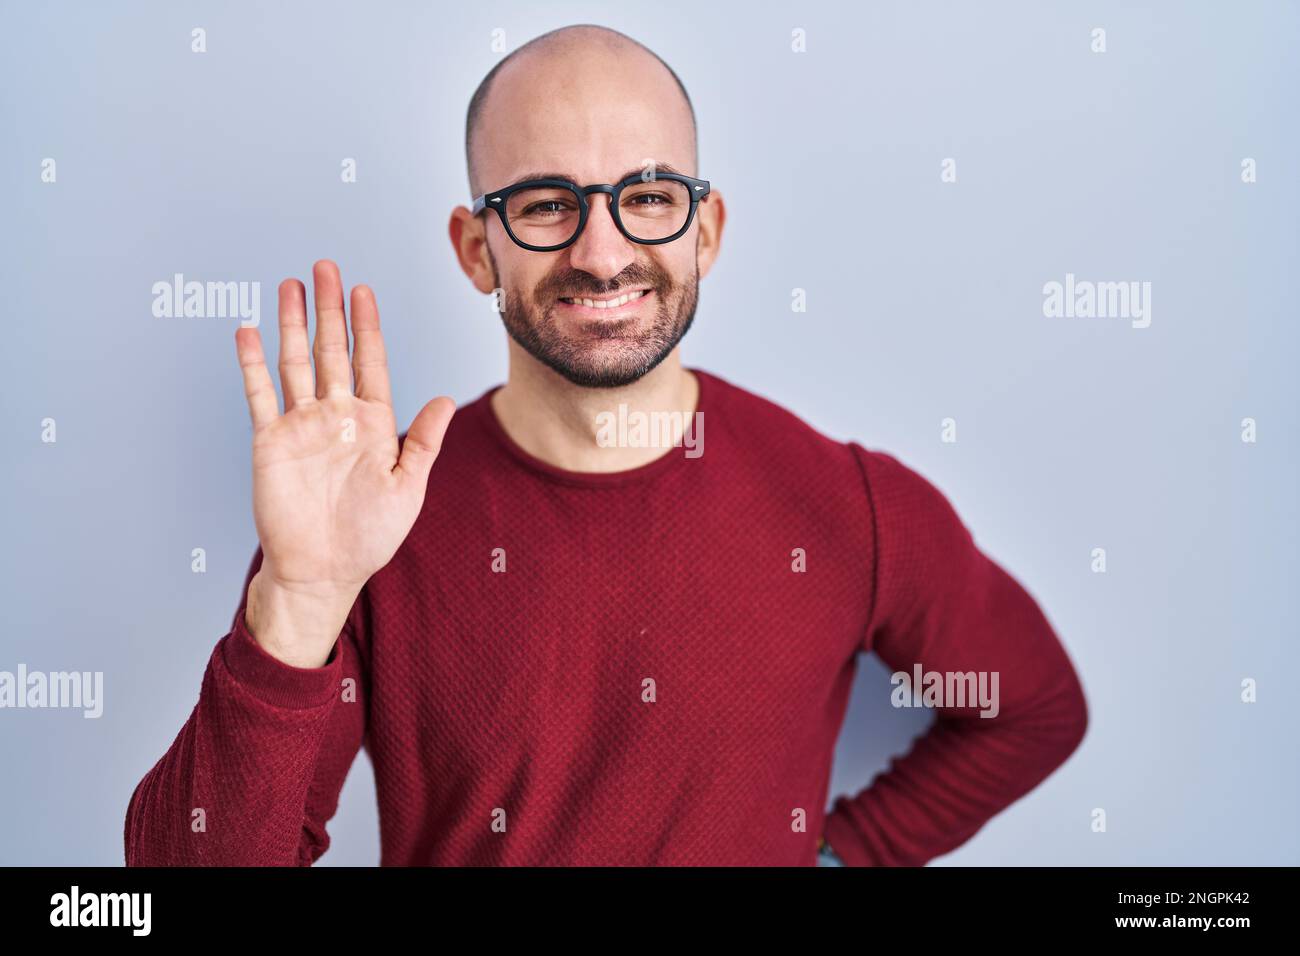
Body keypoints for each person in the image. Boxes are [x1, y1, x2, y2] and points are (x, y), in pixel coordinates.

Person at [124, 24, 1087, 867]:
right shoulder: (369, 521)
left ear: (704, 230)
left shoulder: (847, 504)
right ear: (475, 251)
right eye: (546, 202)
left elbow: (1035, 709)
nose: (600, 250)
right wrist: (297, 601)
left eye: (650, 194)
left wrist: (845, 854)